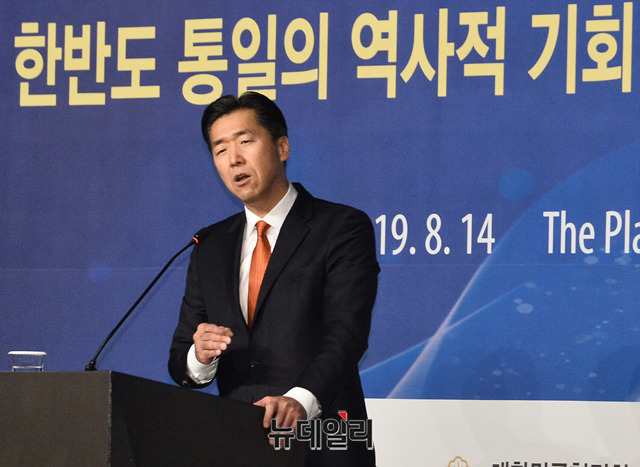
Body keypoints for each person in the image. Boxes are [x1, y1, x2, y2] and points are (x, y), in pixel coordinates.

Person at [168, 91, 379, 466]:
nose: (234, 159)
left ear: (282, 147)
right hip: (238, 444)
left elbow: (347, 333)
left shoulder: (340, 227)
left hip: (323, 441)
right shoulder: (210, 245)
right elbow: (181, 359)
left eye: (245, 142)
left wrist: (299, 400)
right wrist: (199, 357)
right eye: (220, 150)